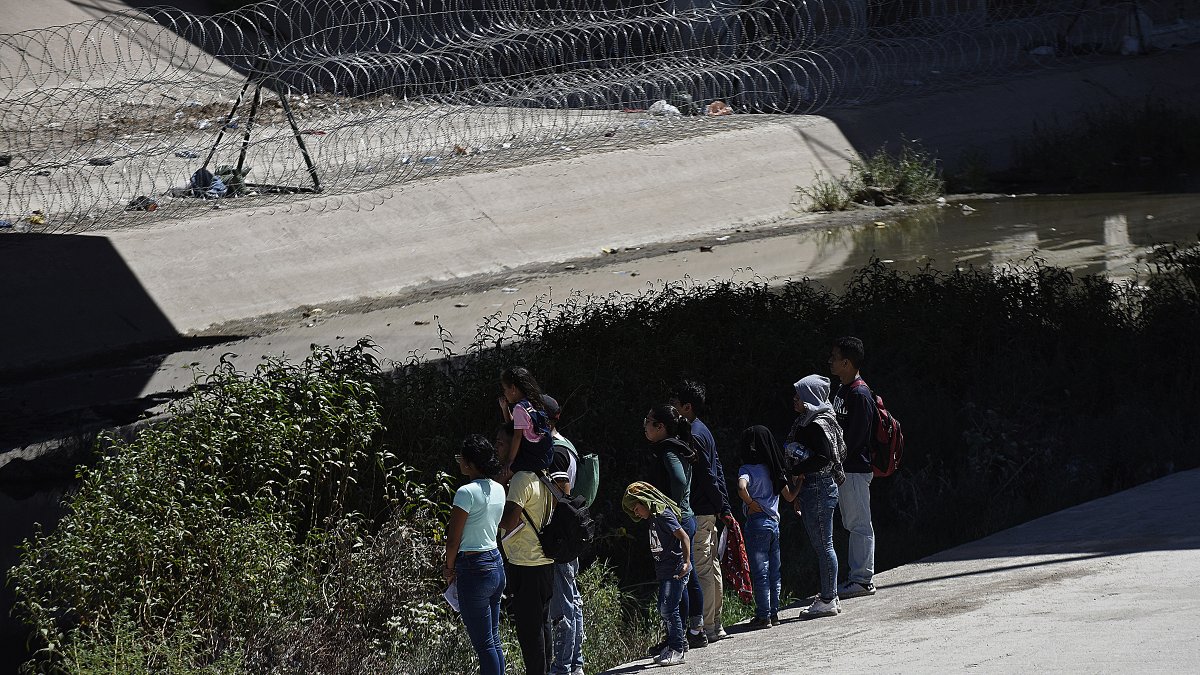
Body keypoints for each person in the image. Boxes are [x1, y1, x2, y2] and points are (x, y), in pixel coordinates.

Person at [670, 380, 732, 643]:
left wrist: (720, 505)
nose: (672, 408)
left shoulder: (692, 434)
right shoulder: (703, 429)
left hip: (701, 509)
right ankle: (715, 623)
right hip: (710, 509)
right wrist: (723, 506)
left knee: (702, 568)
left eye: (675, 404)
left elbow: (707, 473)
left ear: (687, 407)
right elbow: (717, 469)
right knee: (711, 565)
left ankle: (707, 626)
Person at [444, 435, 508, 675]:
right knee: (493, 639)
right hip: (496, 564)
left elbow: (453, 539)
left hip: (474, 568)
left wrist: (448, 568)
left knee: (484, 645)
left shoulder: (465, 492)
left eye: (462, 458)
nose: (460, 462)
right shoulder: (499, 489)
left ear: (470, 463)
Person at [641, 404, 702, 656]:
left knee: (677, 579)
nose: (644, 425)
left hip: (677, 521)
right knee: (688, 575)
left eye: (648, 420)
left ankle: (678, 639)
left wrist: (670, 510)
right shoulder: (678, 447)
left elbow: (677, 480)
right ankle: (693, 632)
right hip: (686, 518)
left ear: (660, 427)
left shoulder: (667, 451)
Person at [497, 422, 556, 675]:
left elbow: (508, 520)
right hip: (544, 562)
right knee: (541, 627)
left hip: (526, 564)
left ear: (516, 447)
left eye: (501, 443)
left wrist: (499, 484)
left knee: (530, 635)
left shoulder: (521, 478)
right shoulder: (542, 473)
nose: (496, 448)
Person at [786, 374, 847, 617]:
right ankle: (830, 594)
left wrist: (795, 469)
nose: (794, 399)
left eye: (799, 395)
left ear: (809, 397)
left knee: (824, 545)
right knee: (823, 544)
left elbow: (823, 458)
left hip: (819, 487)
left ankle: (828, 598)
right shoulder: (811, 420)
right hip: (817, 487)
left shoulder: (816, 424)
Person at [623, 481, 692, 667]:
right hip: (665, 571)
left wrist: (686, 562)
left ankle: (677, 649)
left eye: (637, 508)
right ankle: (673, 644)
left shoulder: (663, 515)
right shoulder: (653, 518)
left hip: (675, 570)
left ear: (646, 502)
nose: (636, 513)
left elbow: (684, 536)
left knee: (669, 609)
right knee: (663, 609)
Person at [829, 336, 878, 598]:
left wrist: (836, 457)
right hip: (845, 469)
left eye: (834, 357)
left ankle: (861, 579)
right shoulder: (842, 390)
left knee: (860, 524)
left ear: (847, 362)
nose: (831, 361)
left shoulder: (859, 394)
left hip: (856, 469)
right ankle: (857, 578)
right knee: (852, 523)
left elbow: (856, 438)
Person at [542, 395, 585, 675]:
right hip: (571, 535)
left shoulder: (556, 450)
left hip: (561, 536)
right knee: (573, 598)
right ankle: (576, 663)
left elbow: (563, 488)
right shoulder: (567, 444)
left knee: (562, 604)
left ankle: (563, 666)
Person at [736, 425, 792, 629]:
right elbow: (789, 496)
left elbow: (741, 487)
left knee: (760, 572)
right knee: (774, 572)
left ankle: (763, 615)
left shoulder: (747, 470)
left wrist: (750, 503)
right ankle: (774, 613)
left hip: (756, 522)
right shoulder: (774, 469)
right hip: (774, 524)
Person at [498, 367, 554, 473]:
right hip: (546, 455)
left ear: (513, 389)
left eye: (505, 389)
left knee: (503, 474)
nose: (504, 393)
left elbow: (517, 436)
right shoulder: (533, 402)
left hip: (533, 458)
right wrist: (505, 408)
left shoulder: (519, 408)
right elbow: (513, 425)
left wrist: (510, 461)